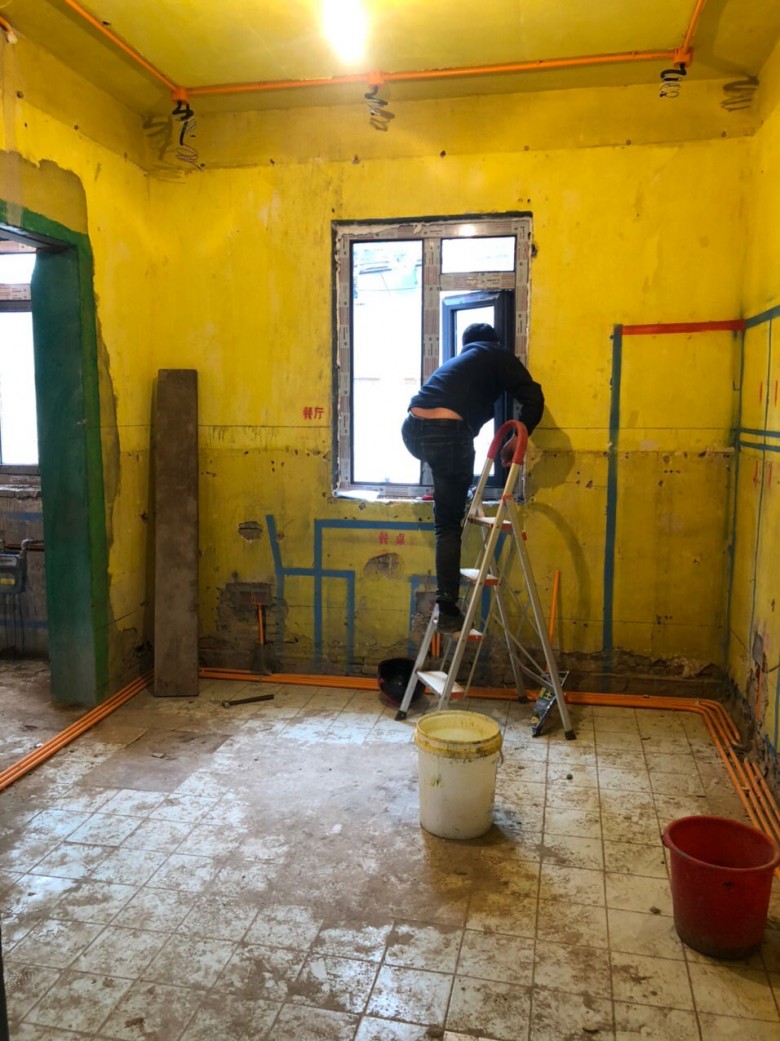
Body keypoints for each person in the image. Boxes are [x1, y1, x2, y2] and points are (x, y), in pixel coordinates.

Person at [401, 322, 544, 632]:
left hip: (412, 430)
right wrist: (518, 438)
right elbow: (534, 397)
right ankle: (448, 610)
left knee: (448, 488)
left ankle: (453, 490)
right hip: (448, 436)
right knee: (448, 525)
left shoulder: (458, 363)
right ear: (495, 341)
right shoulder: (496, 353)